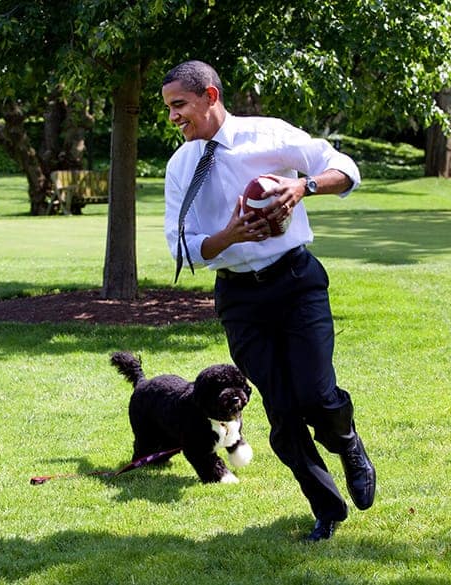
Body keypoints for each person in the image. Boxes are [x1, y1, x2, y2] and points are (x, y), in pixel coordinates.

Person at [161, 60, 376, 542]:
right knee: (281, 412)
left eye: (180, 105)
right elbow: (181, 246)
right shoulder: (180, 166)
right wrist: (228, 235)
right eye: (169, 108)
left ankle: (348, 442)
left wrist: (303, 186)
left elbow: (346, 168)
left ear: (210, 97)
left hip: (296, 282)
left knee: (317, 397)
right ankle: (326, 509)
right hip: (239, 299)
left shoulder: (268, 135)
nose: (174, 117)